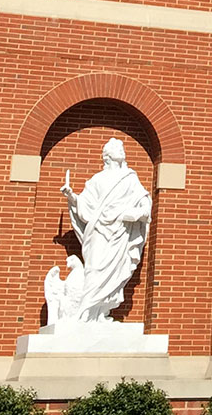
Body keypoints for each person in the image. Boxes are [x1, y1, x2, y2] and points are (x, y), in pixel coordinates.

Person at [57, 139, 153, 324]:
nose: (122, 150)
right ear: (107, 155)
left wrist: (137, 213)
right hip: (99, 231)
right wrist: (72, 197)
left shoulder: (130, 178)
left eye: (122, 147)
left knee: (115, 273)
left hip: (121, 234)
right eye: (118, 148)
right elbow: (86, 205)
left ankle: (99, 314)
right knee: (94, 269)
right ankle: (83, 314)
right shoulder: (97, 179)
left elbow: (144, 202)